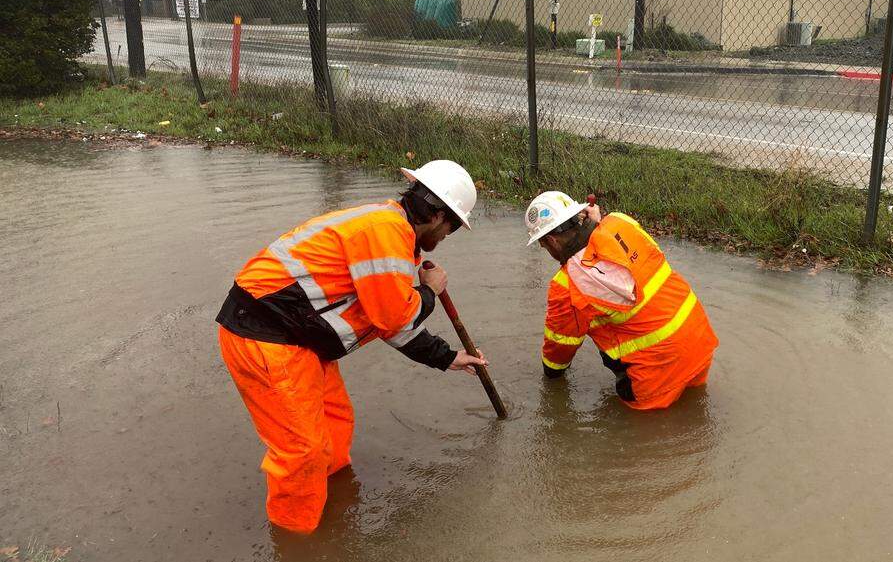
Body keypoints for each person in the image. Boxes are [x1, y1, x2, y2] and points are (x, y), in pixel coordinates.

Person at [215, 160, 488, 534]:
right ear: (439, 215)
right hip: (265, 336)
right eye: (450, 229)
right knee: (303, 451)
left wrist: (447, 357)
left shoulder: (395, 237)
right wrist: (430, 291)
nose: (444, 238)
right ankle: (298, 540)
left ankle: (331, 508)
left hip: (301, 340)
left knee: (336, 422)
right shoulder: (385, 233)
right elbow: (394, 317)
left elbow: (385, 321)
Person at [525, 191, 718, 410]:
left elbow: (557, 355)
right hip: (699, 341)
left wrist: (550, 384)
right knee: (697, 408)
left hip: (656, 373)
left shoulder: (566, 285)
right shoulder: (620, 221)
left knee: (649, 439)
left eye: (544, 246)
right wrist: (596, 225)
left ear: (550, 240)